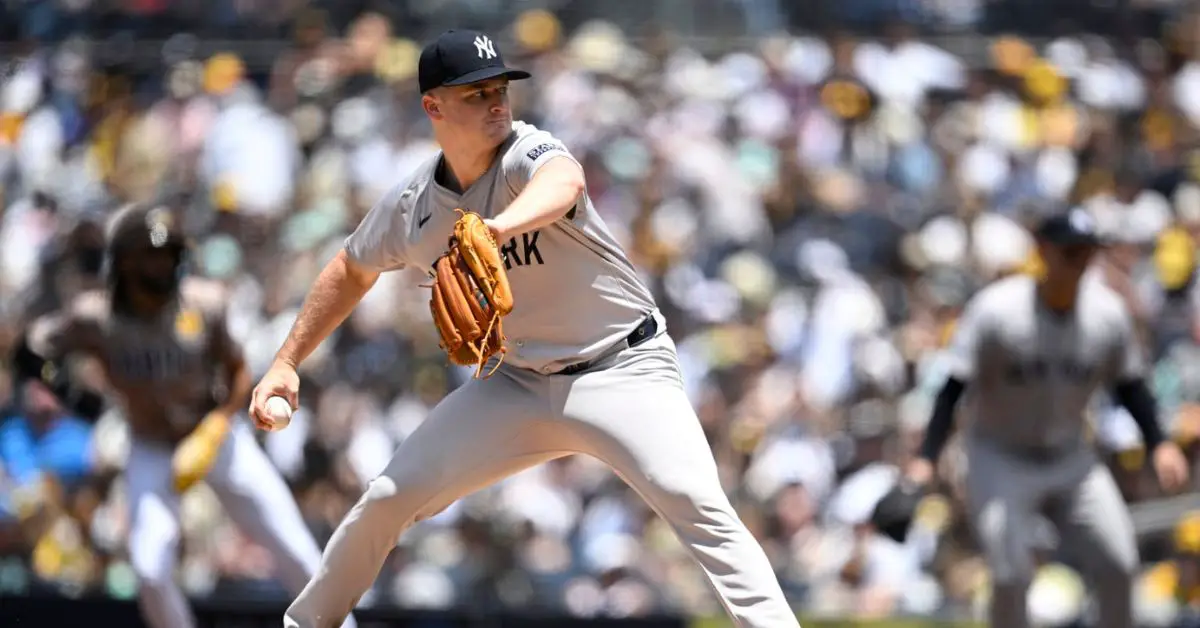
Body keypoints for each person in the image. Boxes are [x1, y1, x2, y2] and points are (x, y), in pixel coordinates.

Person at [250, 29, 800, 628]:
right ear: (433, 106)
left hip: (623, 369)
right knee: (386, 499)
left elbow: (566, 184)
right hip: (517, 385)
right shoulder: (414, 205)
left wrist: (495, 228)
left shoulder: (526, 152)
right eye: (475, 93)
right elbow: (351, 268)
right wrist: (287, 360)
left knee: (699, 505)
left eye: (500, 89)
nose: (496, 102)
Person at [12, 203, 357, 628]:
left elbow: (238, 372)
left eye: (166, 254)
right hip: (151, 444)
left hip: (215, 438)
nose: (159, 267)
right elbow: (29, 351)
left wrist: (213, 428)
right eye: (149, 257)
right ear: (125, 262)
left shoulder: (203, 304)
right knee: (149, 567)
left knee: (293, 545)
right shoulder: (95, 317)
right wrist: (80, 400)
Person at [905, 208, 1192, 628]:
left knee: (1119, 562)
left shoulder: (1107, 313)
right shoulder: (997, 310)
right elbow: (953, 386)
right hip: (999, 454)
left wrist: (1160, 443)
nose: (1080, 263)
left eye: (1087, 253)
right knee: (1009, 572)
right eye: (1070, 252)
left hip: (1069, 456)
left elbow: (1130, 384)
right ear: (1043, 251)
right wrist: (926, 457)